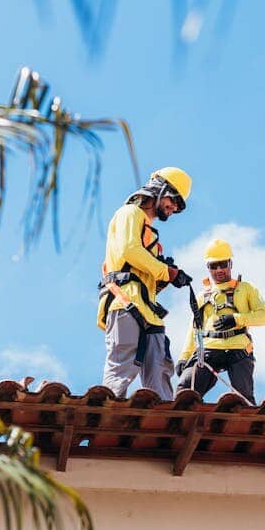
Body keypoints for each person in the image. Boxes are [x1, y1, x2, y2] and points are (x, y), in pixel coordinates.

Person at [97, 167, 193, 399]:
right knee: (122, 366)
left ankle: (164, 423)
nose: (173, 209)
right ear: (159, 190)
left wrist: (168, 276)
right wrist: (164, 271)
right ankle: (105, 414)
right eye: (173, 201)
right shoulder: (129, 213)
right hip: (125, 300)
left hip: (147, 309)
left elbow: (146, 273)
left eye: (177, 207)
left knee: (159, 369)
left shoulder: (150, 234)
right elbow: (129, 250)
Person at [175, 239, 265, 404]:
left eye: (223, 264)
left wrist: (236, 319)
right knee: (185, 390)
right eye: (214, 266)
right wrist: (184, 357)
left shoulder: (246, 288)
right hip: (209, 349)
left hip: (238, 349)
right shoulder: (202, 296)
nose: (219, 270)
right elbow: (194, 330)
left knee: (243, 399)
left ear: (230, 264)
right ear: (208, 268)